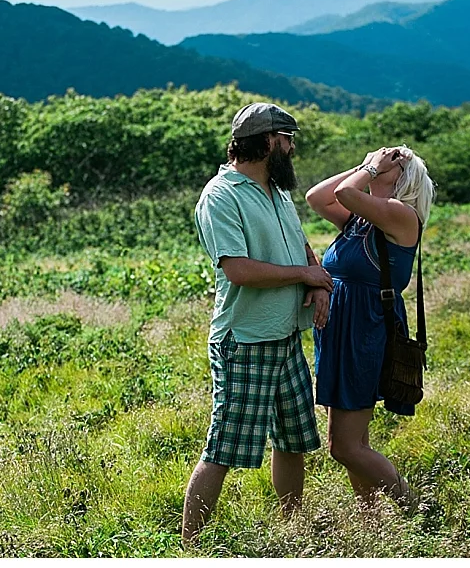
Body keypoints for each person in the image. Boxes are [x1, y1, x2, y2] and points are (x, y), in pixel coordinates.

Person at [183, 102, 333, 546]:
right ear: (268, 141)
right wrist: (304, 275)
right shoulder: (221, 196)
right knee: (223, 449)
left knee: (292, 440)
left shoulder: (278, 191)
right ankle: (190, 547)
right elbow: (239, 270)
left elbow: (300, 245)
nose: (292, 149)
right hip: (245, 339)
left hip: (286, 336)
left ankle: (292, 531)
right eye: (288, 140)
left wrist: (317, 281)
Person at [304, 144, 435, 514]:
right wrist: (365, 166)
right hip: (341, 328)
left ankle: (415, 508)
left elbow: (344, 193)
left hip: (365, 329)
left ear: (401, 176)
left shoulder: (401, 214)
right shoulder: (362, 218)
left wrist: (371, 170)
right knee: (354, 440)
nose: (377, 162)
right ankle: (371, 519)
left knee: (343, 446)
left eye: (387, 161)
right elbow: (317, 198)